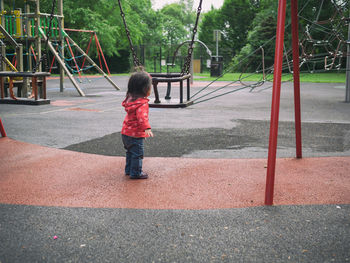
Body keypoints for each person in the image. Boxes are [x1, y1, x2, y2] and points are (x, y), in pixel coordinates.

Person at [121, 71, 153, 179]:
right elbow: (142, 118)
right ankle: (136, 173)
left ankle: (129, 170)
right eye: (150, 86)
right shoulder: (142, 103)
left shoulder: (130, 100)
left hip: (125, 133)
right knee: (137, 154)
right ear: (145, 89)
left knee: (130, 152)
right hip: (135, 135)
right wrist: (147, 128)